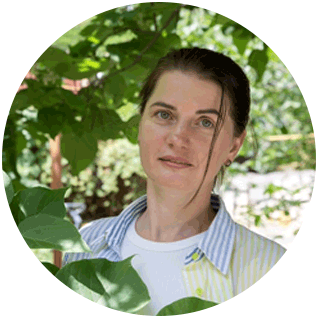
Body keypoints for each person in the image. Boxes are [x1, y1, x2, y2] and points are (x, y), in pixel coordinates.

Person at [63, 48, 286, 315]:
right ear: (140, 126)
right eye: (164, 115)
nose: (178, 138)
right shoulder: (85, 247)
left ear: (233, 147)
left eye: (205, 122)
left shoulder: (271, 269)